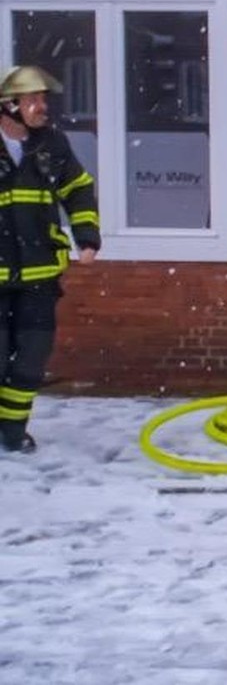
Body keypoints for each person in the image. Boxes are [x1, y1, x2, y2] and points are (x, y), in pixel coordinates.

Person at [0, 66, 100, 453]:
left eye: (44, 99)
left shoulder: (51, 144)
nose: (42, 107)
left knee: (30, 360)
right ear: (9, 106)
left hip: (40, 275)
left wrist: (87, 238)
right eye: (33, 100)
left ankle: (11, 431)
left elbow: (78, 189)